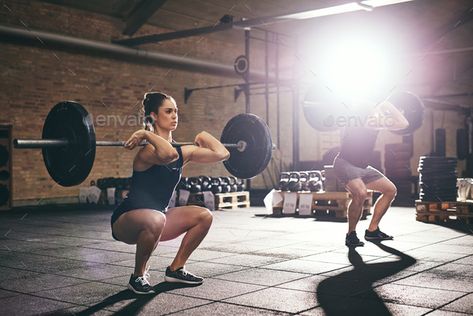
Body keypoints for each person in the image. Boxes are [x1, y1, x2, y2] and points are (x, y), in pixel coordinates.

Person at [111, 92, 230, 294]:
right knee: (156, 218)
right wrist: (147, 134)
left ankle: (176, 269)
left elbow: (222, 154)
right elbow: (168, 155)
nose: (174, 115)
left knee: (204, 216)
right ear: (154, 116)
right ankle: (137, 277)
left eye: (176, 111)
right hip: (126, 220)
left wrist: (203, 136)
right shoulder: (147, 151)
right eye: (168, 111)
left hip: (159, 220)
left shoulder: (183, 152)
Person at [333, 99, 409, 247]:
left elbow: (404, 123)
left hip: (363, 167)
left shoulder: (376, 120)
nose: (378, 114)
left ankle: (372, 230)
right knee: (360, 193)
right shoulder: (361, 120)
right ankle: (351, 234)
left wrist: (386, 103)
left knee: (390, 189)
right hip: (344, 164)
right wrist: (384, 105)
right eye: (375, 111)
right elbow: (401, 122)